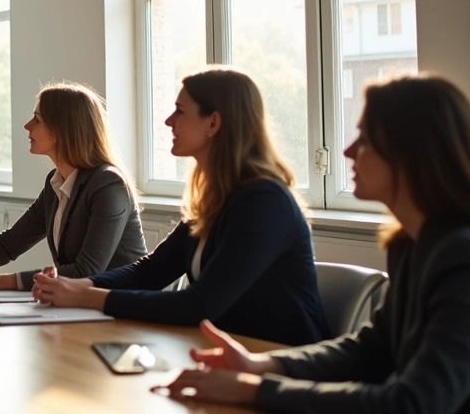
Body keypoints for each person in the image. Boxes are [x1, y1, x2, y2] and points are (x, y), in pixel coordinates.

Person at [155, 74, 470, 413]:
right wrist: (260, 366)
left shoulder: (460, 256)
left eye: (364, 139)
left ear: (410, 152)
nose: (348, 150)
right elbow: (370, 350)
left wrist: (253, 389)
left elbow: (414, 402)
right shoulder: (410, 245)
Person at [32, 67, 331, 346]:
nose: (168, 121)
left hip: (281, 361)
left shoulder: (265, 203)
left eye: (180, 111)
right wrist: (80, 284)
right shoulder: (216, 198)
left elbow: (199, 304)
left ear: (213, 122)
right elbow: (150, 272)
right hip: (229, 354)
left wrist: (87, 296)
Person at [0, 81, 147, 290]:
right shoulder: (56, 182)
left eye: (37, 119)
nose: (27, 126)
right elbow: (11, 242)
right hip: (84, 305)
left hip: (125, 308)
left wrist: (3, 281)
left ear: (61, 130)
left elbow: (87, 271)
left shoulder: (108, 184)